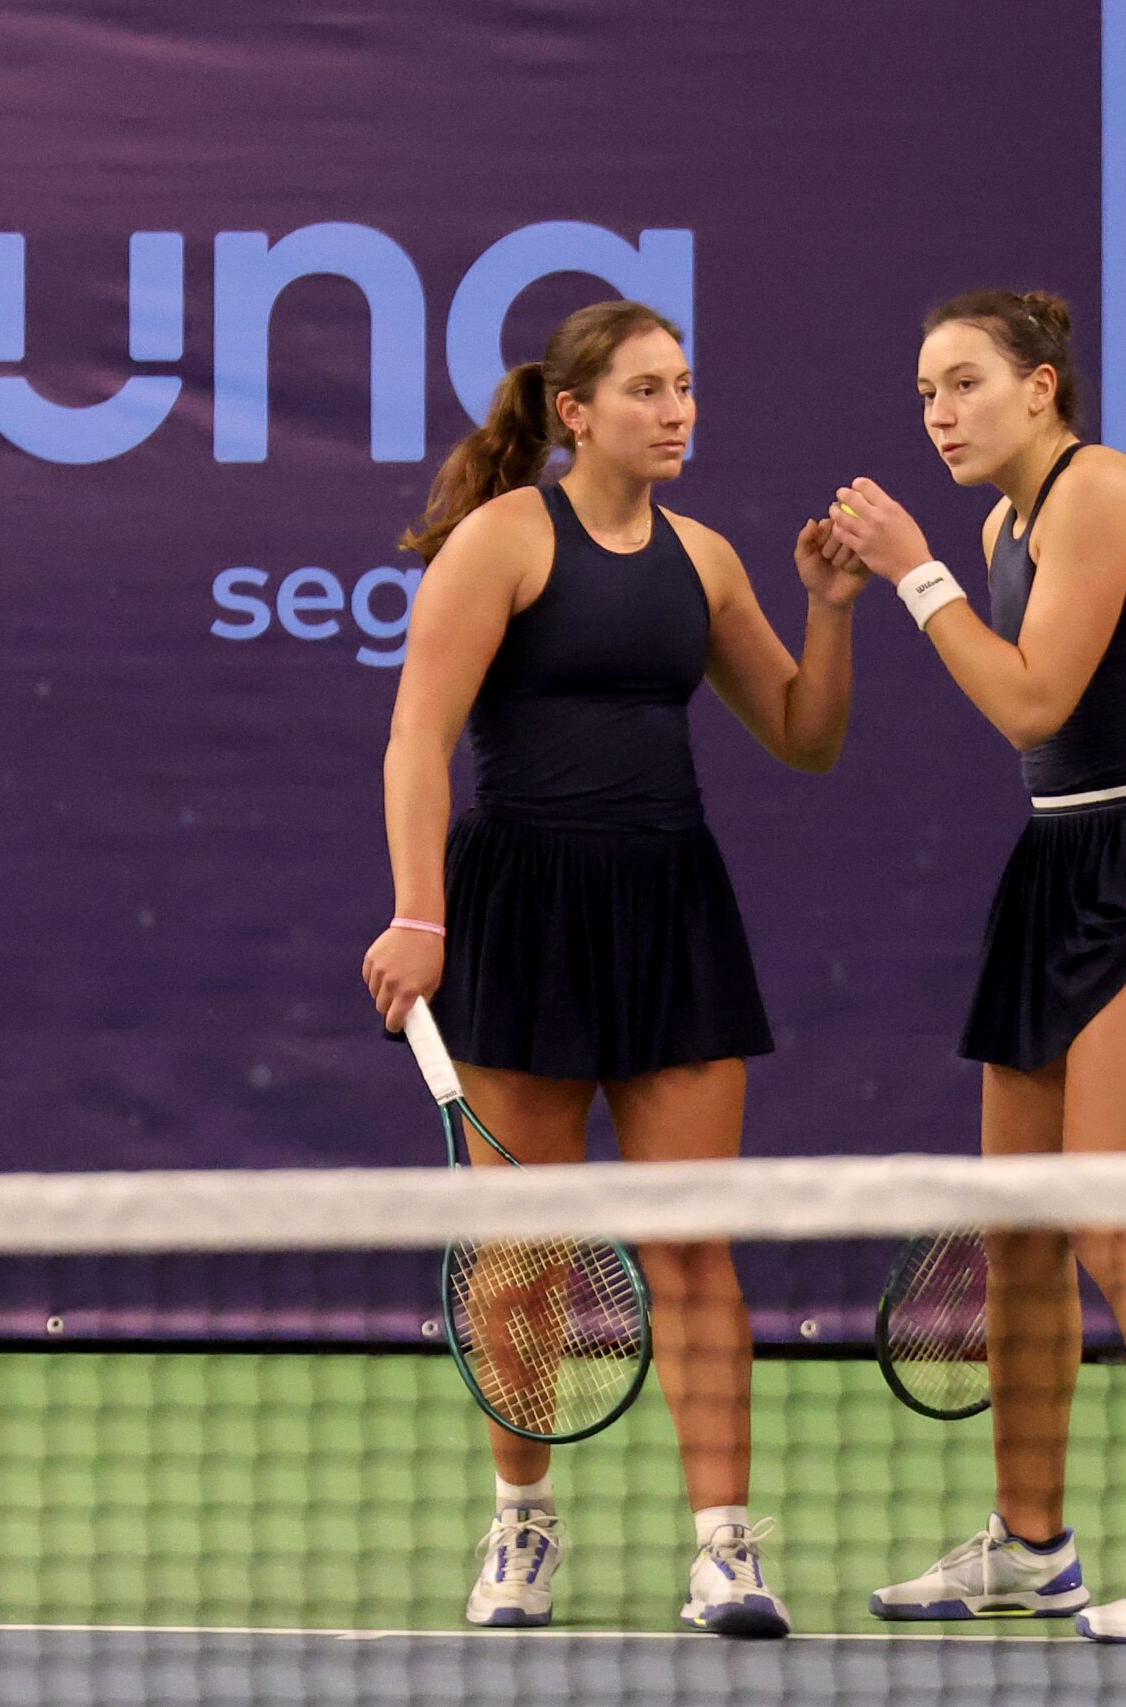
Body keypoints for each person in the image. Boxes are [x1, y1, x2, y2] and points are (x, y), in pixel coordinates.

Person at [360, 299, 868, 1636]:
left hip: (669, 911)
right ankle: (523, 1525)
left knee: (695, 1247)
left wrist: (830, 609)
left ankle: (724, 1553)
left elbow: (805, 735)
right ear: (576, 414)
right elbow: (419, 742)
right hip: (522, 911)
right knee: (520, 1259)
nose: (678, 410)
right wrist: (422, 915)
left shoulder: (706, 560)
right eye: (648, 390)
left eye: (687, 386)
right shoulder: (503, 541)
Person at [829, 289, 1126, 1643]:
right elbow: (1032, 724)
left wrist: (914, 575)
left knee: (1117, 1227)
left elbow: (1032, 694)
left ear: (1043, 389)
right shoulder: (1002, 526)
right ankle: (1032, 1547)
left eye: (966, 382)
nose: (938, 410)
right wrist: (918, 578)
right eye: (926, 388)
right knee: (1022, 1233)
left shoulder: (1103, 494)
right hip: (1059, 863)